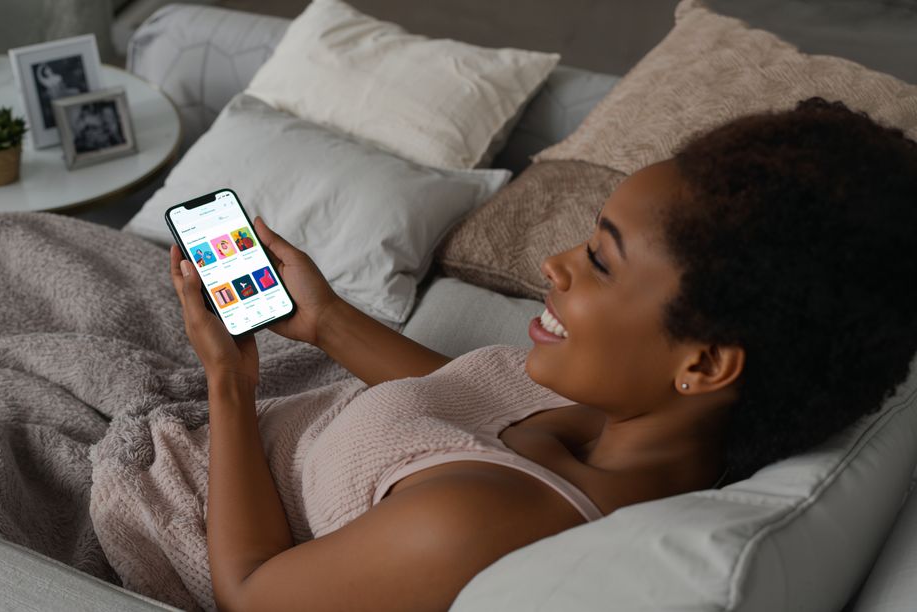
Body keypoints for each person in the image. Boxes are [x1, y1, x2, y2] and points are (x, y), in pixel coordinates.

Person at [165, 98, 917, 610]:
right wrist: (326, 320)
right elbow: (461, 424)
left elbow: (253, 589)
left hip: (175, 496)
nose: (555, 265)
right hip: (255, 414)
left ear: (705, 364)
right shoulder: (632, 421)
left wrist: (228, 381)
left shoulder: (475, 527)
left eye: (600, 259)